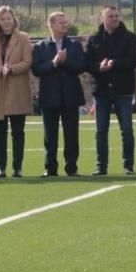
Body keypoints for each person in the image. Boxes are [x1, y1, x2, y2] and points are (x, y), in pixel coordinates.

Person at [85, 4, 136, 175]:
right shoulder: (93, 38)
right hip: (101, 91)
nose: (115, 18)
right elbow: (86, 63)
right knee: (101, 131)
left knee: (127, 130)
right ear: (103, 18)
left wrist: (115, 63)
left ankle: (128, 166)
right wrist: (98, 67)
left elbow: (134, 60)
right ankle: (101, 166)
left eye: (116, 15)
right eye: (111, 16)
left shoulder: (129, 37)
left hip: (123, 90)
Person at [32, 11, 86, 176]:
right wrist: (54, 63)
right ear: (51, 25)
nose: (64, 24)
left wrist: (65, 60)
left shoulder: (74, 45)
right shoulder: (40, 47)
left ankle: (71, 168)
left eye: (65, 22)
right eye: (60, 22)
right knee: (50, 136)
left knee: (71, 135)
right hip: (49, 96)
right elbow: (37, 70)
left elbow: (80, 67)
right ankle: (50, 169)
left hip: (70, 96)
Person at [0, 6, 33, 178]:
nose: (6, 21)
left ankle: (17, 167)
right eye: (2, 19)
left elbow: (27, 61)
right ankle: (0, 167)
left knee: (18, 131)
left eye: (8, 18)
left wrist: (11, 69)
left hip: (17, 88)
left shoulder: (24, 38)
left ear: (14, 19)